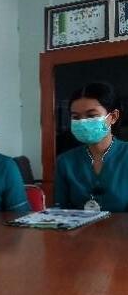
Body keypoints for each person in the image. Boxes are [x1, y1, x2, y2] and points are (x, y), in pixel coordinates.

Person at [54, 82, 128, 211]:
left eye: (92, 115)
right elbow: (60, 211)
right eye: (76, 117)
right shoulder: (65, 162)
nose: (82, 122)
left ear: (113, 117)